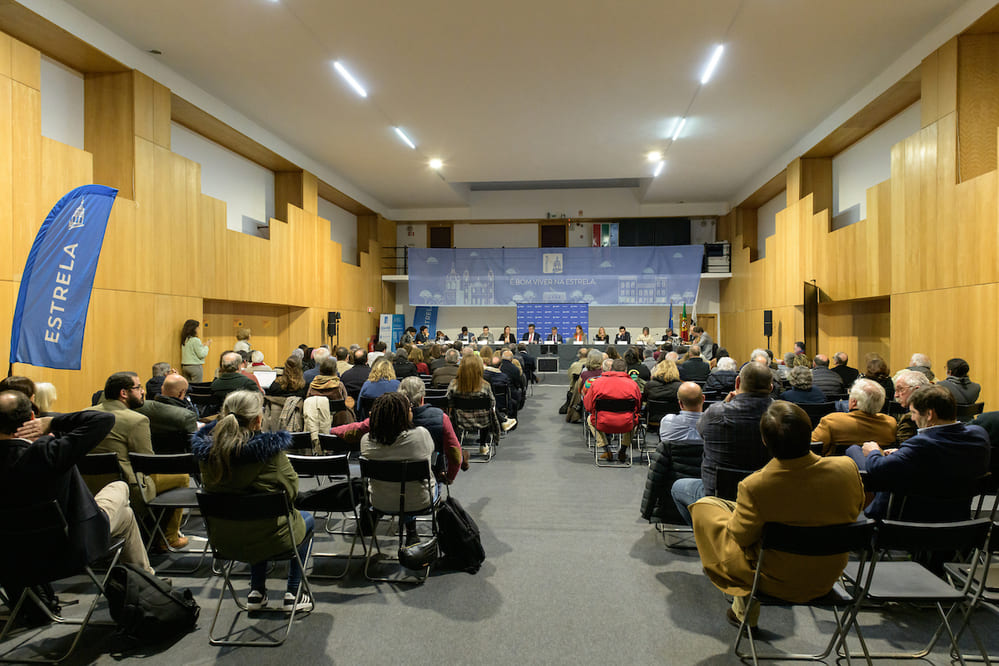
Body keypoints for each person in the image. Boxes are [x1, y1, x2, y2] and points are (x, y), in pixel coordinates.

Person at [690, 401, 865, 628]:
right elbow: (857, 509)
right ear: (810, 433)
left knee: (706, 508)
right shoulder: (847, 468)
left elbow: (741, 538)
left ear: (764, 441)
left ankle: (744, 609)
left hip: (775, 581)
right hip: (827, 576)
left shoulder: (756, 485)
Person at [0, 392, 155, 580]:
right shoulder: (50, 453)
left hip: (9, 557)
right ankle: (147, 585)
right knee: (121, 490)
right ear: (32, 417)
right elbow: (104, 419)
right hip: (68, 551)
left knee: (125, 514)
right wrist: (52, 423)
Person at [192, 390, 314, 612]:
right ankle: (294, 592)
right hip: (271, 536)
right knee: (304, 519)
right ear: (258, 420)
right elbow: (292, 491)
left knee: (249, 518)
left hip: (224, 539)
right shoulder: (270, 454)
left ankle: (256, 591)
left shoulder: (206, 455)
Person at [847, 385, 990, 522]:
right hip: (959, 521)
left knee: (854, 450)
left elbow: (878, 468)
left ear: (929, 414)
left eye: (914, 413)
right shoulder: (979, 436)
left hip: (909, 523)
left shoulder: (921, 445)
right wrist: (903, 453)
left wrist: (873, 451)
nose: (913, 418)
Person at [87, 372, 190, 550]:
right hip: (128, 489)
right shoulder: (137, 420)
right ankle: (169, 537)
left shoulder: (84, 415)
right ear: (124, 393)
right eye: (138, 388)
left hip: (88, 489)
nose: (143, 391)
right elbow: (148, 463)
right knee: (182, 477)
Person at [671, 362, 774, 525]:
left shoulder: (716, 413)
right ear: (770, 387)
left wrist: (725, 404)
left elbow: (701, 431)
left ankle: (711, 539)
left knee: (678, 487)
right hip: (769, 495)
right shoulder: (782, 416)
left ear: (738, 383)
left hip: (718, 497)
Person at [360, 392, 438, 545]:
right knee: (436, 477)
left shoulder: (365, 441)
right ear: (403, 415)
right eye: (409, 408)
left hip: (379, 502)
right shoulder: (421, 435)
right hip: (419, 502)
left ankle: (408, 530)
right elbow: (430, 452)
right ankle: (412, 531)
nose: (411, 410)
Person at [811, 378, 896, 455]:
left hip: (839, 470)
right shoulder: (891, 424)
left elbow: (812, 448)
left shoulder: (831, 421)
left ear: (854, 402)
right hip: (876, 470)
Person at [584, 358, 642, 462]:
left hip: (602, 422)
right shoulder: (633, 385)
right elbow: (637, 407)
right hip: (626, 423)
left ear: (610, 369)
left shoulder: (597, 383)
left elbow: (588, 406)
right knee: (635, 420)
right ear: (626, 370)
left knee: (590, 419)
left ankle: (606, 449)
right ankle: (623, 450)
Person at [446, 354, 500, 456]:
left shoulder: (453, 385)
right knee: (488, 414)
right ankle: (483, 444)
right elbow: (492, 404)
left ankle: (457, 444)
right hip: (483, 421)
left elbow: (449, 402)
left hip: (460, 421)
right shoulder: (485, 386)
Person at [892, 369, 930, 443]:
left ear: (917, 391)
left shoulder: (912, 418)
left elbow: (905, 448)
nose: (896, 395)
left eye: (900, 389)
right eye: (895, 390)